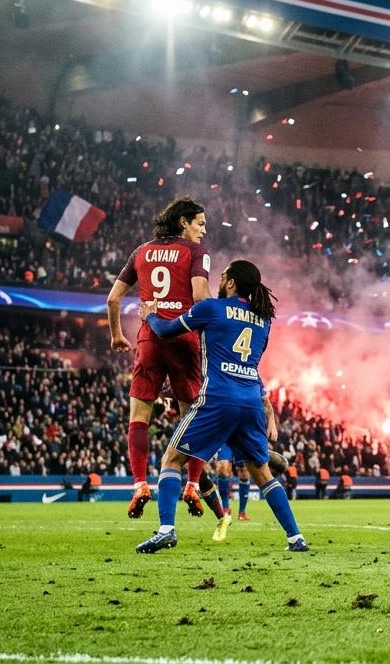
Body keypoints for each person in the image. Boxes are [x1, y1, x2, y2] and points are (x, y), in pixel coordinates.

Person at [134, 260, 307, 554]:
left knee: (172, 459)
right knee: (263, 473)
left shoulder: (211, 308)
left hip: (217, 398)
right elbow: (250, 363)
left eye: (223, 275)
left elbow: (165, 330)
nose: (220, 280)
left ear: (231, 282)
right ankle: (296, 538)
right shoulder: (263, 321)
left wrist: (150, 315)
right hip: (250, 401)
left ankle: (166, 531)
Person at [107, 197, 226, 522]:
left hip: (149, 339)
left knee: (138, 416)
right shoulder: (196, 252)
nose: (204, 230)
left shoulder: (141, 251)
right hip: (184, 338)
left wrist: (117, 335)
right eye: (200, 223)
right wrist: (220, 320)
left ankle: (139, 485)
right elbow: (200, 296)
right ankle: (192, 484)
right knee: (193, 419)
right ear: (183, 222)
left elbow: (113, 298)